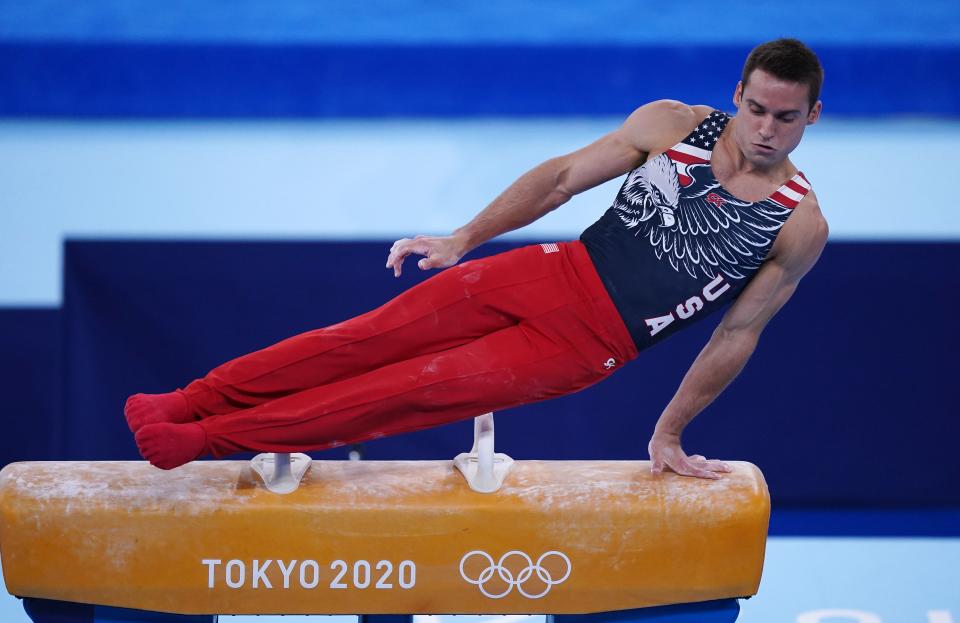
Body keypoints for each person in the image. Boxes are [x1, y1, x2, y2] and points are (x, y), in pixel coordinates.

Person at [126, 38, 827, 480]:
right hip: (550, 269)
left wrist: (670, 429)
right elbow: (559, 179)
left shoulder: (796, 223)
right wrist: (464, 237)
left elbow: (736, 333)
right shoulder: (673, 124)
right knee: (361, 340)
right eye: (757, 108)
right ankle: (189, 400)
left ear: (812, 116)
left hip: (590, 343)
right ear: (738, 93)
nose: (766, 128)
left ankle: (207, 439)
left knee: (398, 391)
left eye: (786, 117)